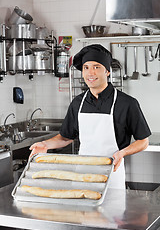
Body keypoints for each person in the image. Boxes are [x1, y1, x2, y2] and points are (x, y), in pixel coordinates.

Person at [29, 44, 151, 189]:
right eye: (86, 68)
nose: (90, 73)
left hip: (112, 174)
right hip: (82, 175)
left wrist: (122, 153)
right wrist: (46, 144)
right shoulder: (77, 103)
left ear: (107, 71)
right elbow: (65, 137)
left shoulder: (127, 103)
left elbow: (143, 141)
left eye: (96, 67)